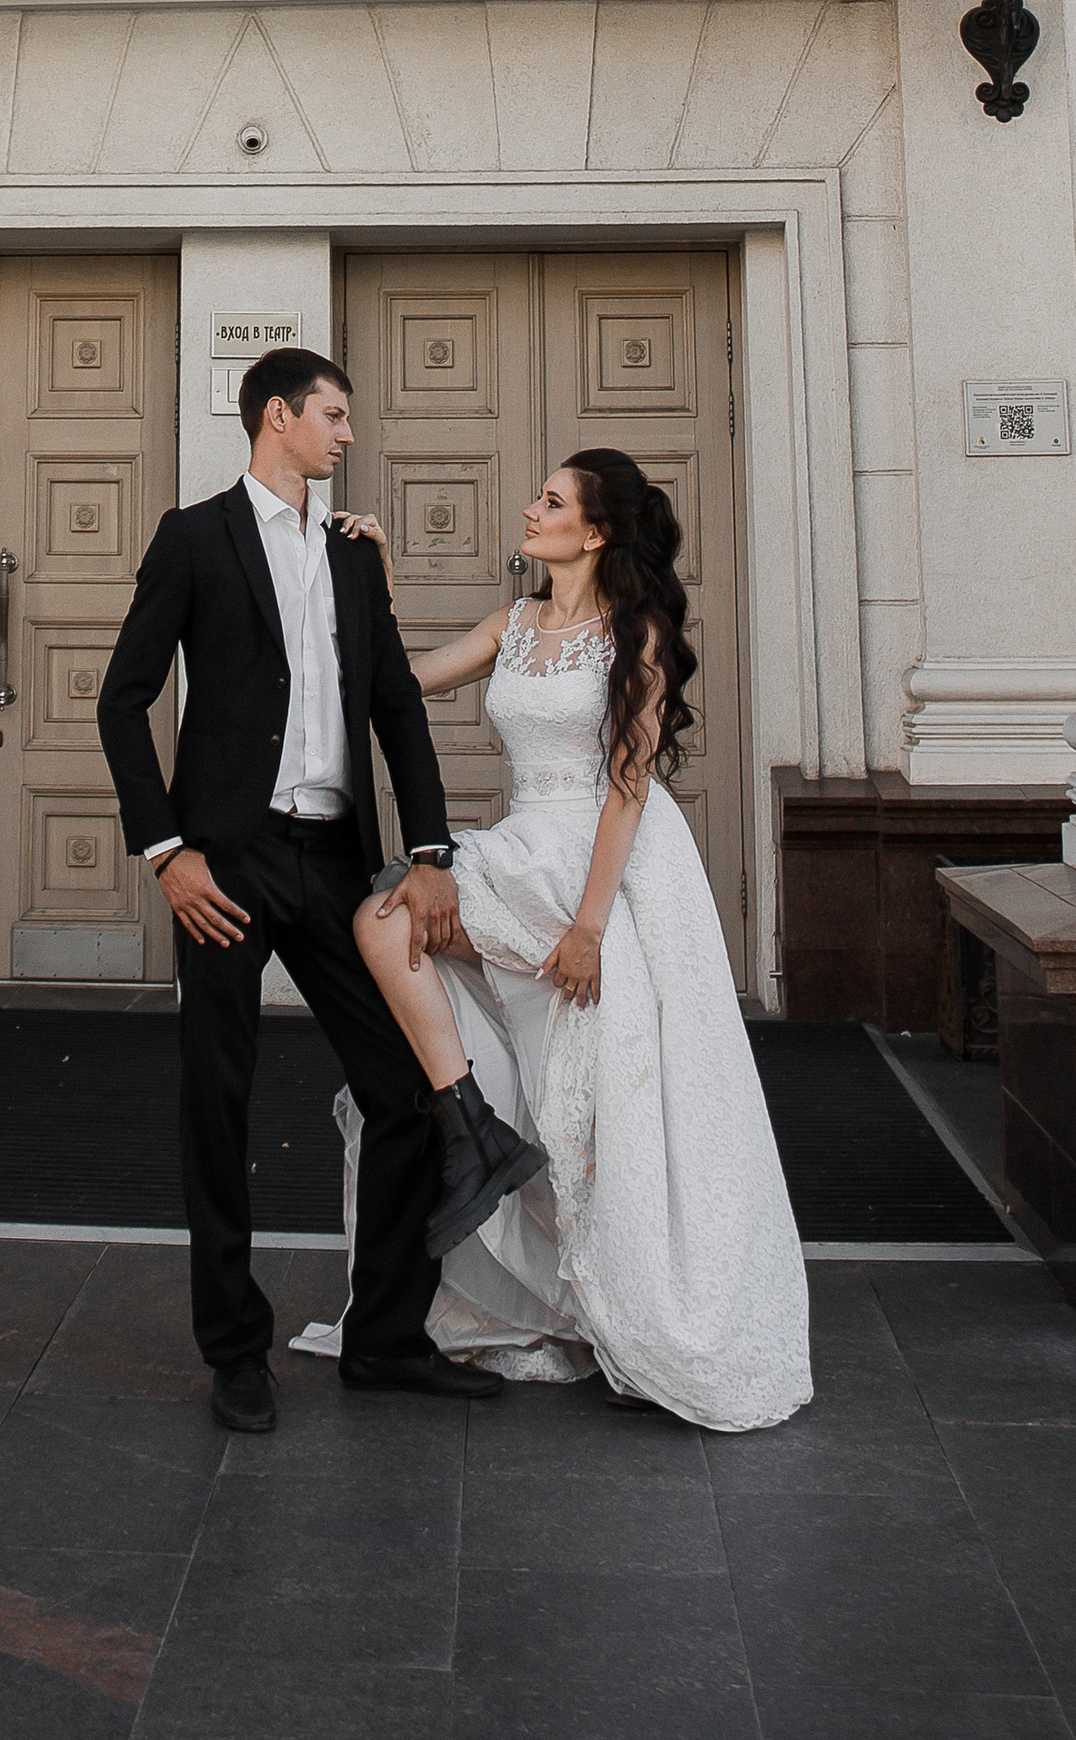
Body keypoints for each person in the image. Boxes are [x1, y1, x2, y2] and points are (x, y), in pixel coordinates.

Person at [318, 448, 811, 1431]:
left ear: (592, 533)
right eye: (537, 495)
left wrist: (590, 927)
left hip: (601, 865)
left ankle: (598, 1269)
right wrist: (369, 585)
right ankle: (471, 1125)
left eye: (550, 501)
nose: (530, 509)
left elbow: (627, 788)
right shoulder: (514, 624)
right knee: (393, 924)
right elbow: (399, 684)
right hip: (522, 845)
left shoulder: (639, 636)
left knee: (596, 1095)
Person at [95, 345, 508, 1434]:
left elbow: (396, 713)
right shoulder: (193, 539)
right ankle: (233, 1348)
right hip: (223, 867)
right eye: (332, 415)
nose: (348, 434)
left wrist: (428, 854)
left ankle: (383, 1339)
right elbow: (119, 701)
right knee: (216, 1103)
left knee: (410, 1090)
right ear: (276, 417)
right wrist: (166, 852)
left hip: (333, 861)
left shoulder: (352, 554)